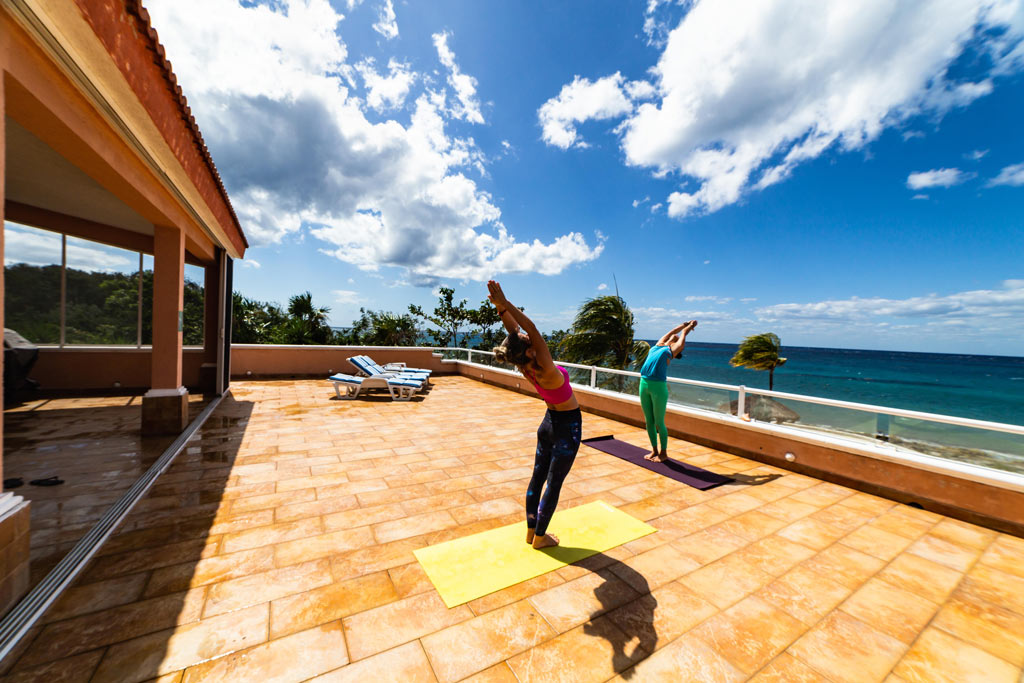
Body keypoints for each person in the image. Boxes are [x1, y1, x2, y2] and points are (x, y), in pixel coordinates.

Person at [488, 280, 581, 550]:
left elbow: (517, 334)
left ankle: (530, 532)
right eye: (530, 342)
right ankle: (541, 538)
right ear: (530, 350)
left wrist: (502, 310)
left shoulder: (526, 366)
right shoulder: (547, 368)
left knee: (537, 478)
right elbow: (530, 329)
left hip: (548, 424)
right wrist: (506, 304)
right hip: (567, 427)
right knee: (553, 484)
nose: (531, 339)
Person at [639, 320, 698, 462]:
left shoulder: (669, 352)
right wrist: (684, 324)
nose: (673, 337)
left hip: (658, 387)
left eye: (675, 339)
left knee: (659, 422)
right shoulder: (657, 346)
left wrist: (689, 328)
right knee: (649, 422)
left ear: (674, 345)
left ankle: (663, 453)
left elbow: (681, 336)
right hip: (644, 384)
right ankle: (654, 450)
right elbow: (672, 332)